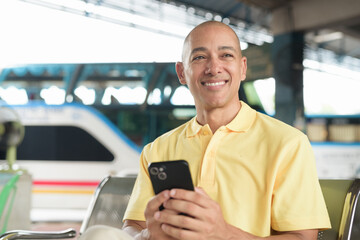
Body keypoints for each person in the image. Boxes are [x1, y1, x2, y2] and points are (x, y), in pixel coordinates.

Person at [80, 20, 331, 240]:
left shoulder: (288, 143)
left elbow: (303, 237)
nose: (213, 67)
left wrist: (224, 234)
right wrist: (148, 235)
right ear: (182, 72)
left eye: (226, 55)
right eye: (200, 57)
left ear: (243, 68)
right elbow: (132, 226)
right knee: (97, 235)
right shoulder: (157, 149)